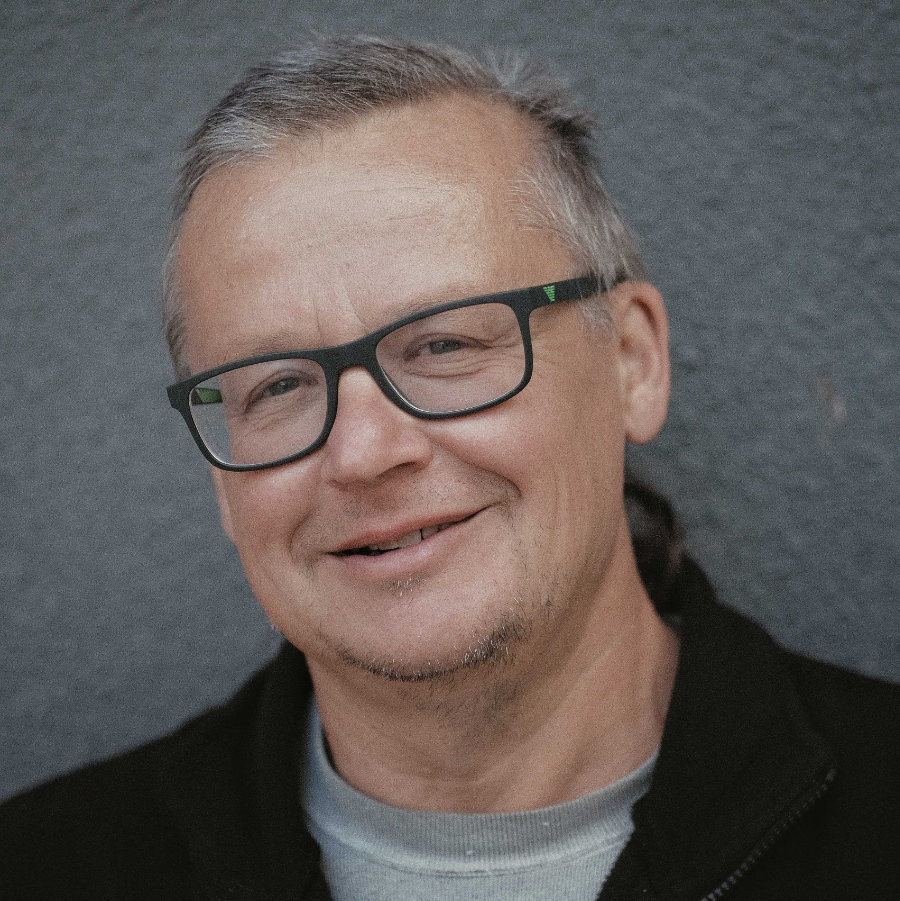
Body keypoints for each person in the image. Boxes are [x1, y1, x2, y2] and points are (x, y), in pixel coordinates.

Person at [1, 35, 897, 901]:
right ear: (225, 485)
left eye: (444, 344)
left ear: (632, 362)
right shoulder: (48, 869)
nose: (363, 453)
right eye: (278, 385)